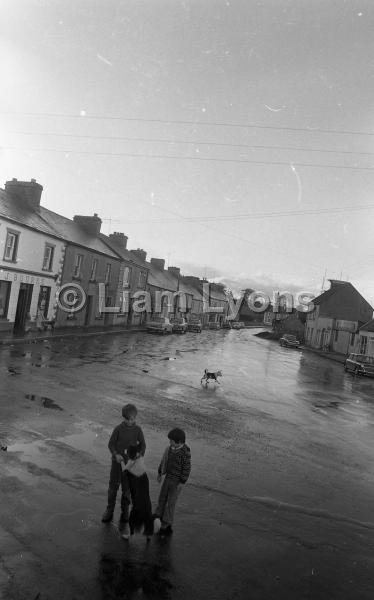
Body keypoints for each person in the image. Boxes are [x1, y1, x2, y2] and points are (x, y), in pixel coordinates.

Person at [102, 404, 146, 539]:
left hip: (130, 466)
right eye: (128, 420)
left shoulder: (138, 430)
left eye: (132, 419)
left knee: (127, 490)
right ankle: (109, 510)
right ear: (124, 418)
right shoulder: (118, 429)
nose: (130, 422)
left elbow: (143, 445)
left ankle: (125, 511)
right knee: (113, 487)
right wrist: (115, 454)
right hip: (117, 464)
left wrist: (139, 455)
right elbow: (111, 444)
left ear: (135, 418)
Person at [155, 427, 191, 537]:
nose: (169, 443)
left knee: (170, 502)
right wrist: (160, 472)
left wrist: (182, 482)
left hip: (177, 482)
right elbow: (164, 460)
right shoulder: (169, 449)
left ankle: (166, 522)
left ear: (179, 442)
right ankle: (158, 515)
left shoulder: (185, 453)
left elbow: (187, 468)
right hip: (168, 478)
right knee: (162, 497)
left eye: (171, 441)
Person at [122, 444, 154, 540]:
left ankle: (130, 534)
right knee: (147, 509)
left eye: (127, 453)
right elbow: (134, 455)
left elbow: (124, 471)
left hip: (135, 486)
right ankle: (149, 534)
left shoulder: (131, 463)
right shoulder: (140, 458)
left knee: (135, 510)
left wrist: (121, 461)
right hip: (143, 482)